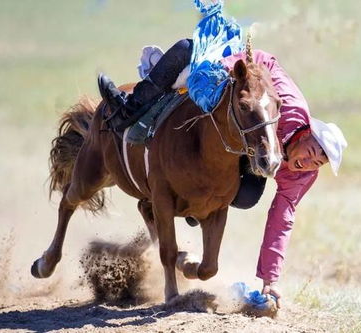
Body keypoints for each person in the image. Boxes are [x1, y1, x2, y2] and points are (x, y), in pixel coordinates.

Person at [99, 38, 347, 308]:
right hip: (245, 110)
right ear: (307, 133)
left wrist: (270, 280)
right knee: (190, 67)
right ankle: (129, 107)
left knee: (248, 196)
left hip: (253, 151)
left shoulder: (302, 175)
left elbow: (282, 220)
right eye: (312, 151)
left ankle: (197, 208)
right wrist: (228, 67)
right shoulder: (288, 107)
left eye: (318, 163)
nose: (310, 162)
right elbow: (266, 63)